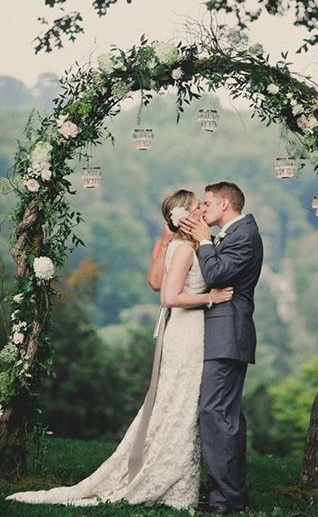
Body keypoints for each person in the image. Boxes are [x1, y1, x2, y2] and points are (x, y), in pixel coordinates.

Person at [6, 189, 233, 510]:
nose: (202, 213)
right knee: (179, 404)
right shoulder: (182, 250)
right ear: (183, 217)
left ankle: (178, 480)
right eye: (197, 208)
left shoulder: (187, 246)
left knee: (179, 405)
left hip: (191, 331)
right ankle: (167, 479)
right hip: (186, 332)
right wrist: (212, 297)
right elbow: (168, 297)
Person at [180, 182, 263, 514]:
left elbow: (215, 274)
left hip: (228, 334)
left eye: (209, 202)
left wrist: (202, 240)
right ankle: (229, 495)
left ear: (226, 204)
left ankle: (226, 501)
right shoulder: (234, 234)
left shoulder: (244, 234)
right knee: (225, 417)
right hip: (223, 334)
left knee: (215, 413)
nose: (203, 208)